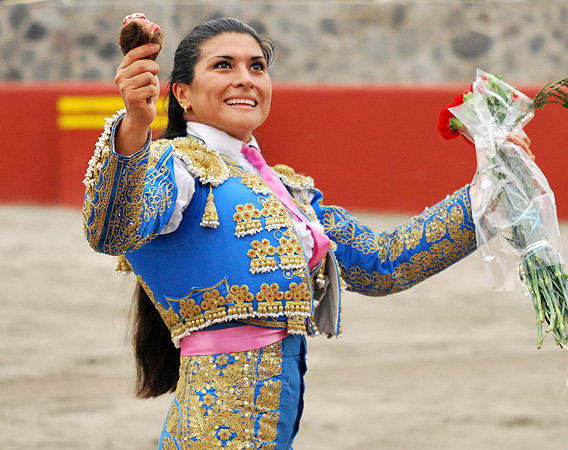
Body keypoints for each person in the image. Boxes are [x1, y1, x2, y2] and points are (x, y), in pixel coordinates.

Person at [83, 17, 532, 450]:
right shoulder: (173, 164)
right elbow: (109, 231)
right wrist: (134, 126)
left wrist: (489, 187)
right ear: (182, 93)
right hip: (213, 429)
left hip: (274, 421)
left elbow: (384, 265)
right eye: (224, 65)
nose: (245, 78)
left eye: (256, 66)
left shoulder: (286, 190)